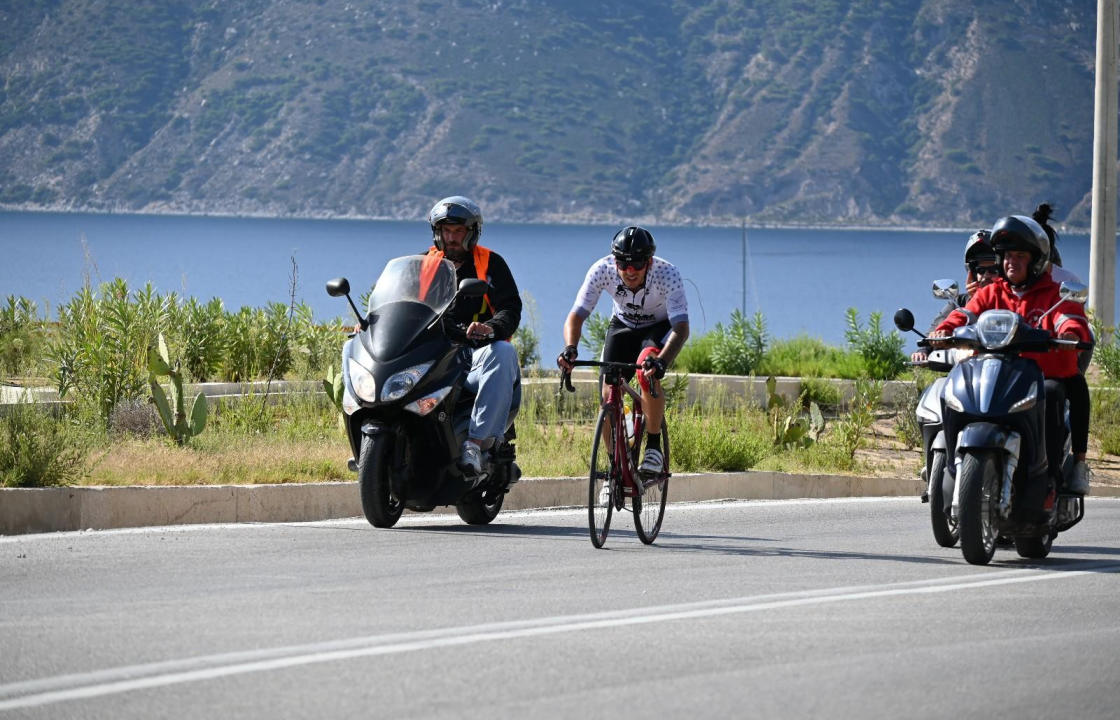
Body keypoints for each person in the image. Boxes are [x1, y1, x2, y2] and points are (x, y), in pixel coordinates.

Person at [931, 215, 1093, 494]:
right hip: (1000, 371)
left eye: (1019, 256)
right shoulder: (993, 292)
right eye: (1006, 256)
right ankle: (955, 462)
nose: (1010, 262)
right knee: (956, 386)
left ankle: (1057, 474)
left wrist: (1069, 333)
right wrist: (943, 330)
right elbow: (965, 313)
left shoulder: (1053, 293)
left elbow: (1069, 317)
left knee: (1057, 391)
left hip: (1042, 375)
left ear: (1037, 261)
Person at [557, 226, 689, 476]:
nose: (629, 271)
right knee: (608, 394)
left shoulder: (668, 273)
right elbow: (575, 317)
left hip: (658, 327)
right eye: (623, 263)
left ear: (649, 261)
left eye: (637, 264)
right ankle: (614, 468)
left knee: (646, 372)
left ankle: (653, 447)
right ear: (614, 260)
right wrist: (570, 348)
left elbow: (681, 329)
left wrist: (662, 361)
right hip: (623, 326)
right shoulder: (602, 270)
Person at [425, 196, 522, 479]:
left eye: (458, 232)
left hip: (473, 356)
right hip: (432, 354)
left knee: (503, 352)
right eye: (446, 231)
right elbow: (399, 301)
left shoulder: (491, 264)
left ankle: (475, 444)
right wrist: (373, 322)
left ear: (471, 233)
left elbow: (510, 308)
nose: (451, 238)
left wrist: (490, 329)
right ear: (437, 233)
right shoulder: (424, 264)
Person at [911, 230, 1000, 362]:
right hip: (967, 365)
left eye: (993, 270)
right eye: (981, 270)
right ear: (973, 274)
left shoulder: (1009, 300)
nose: (986, 275)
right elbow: (936, 329)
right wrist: (924, 349)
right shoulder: (959, 302)